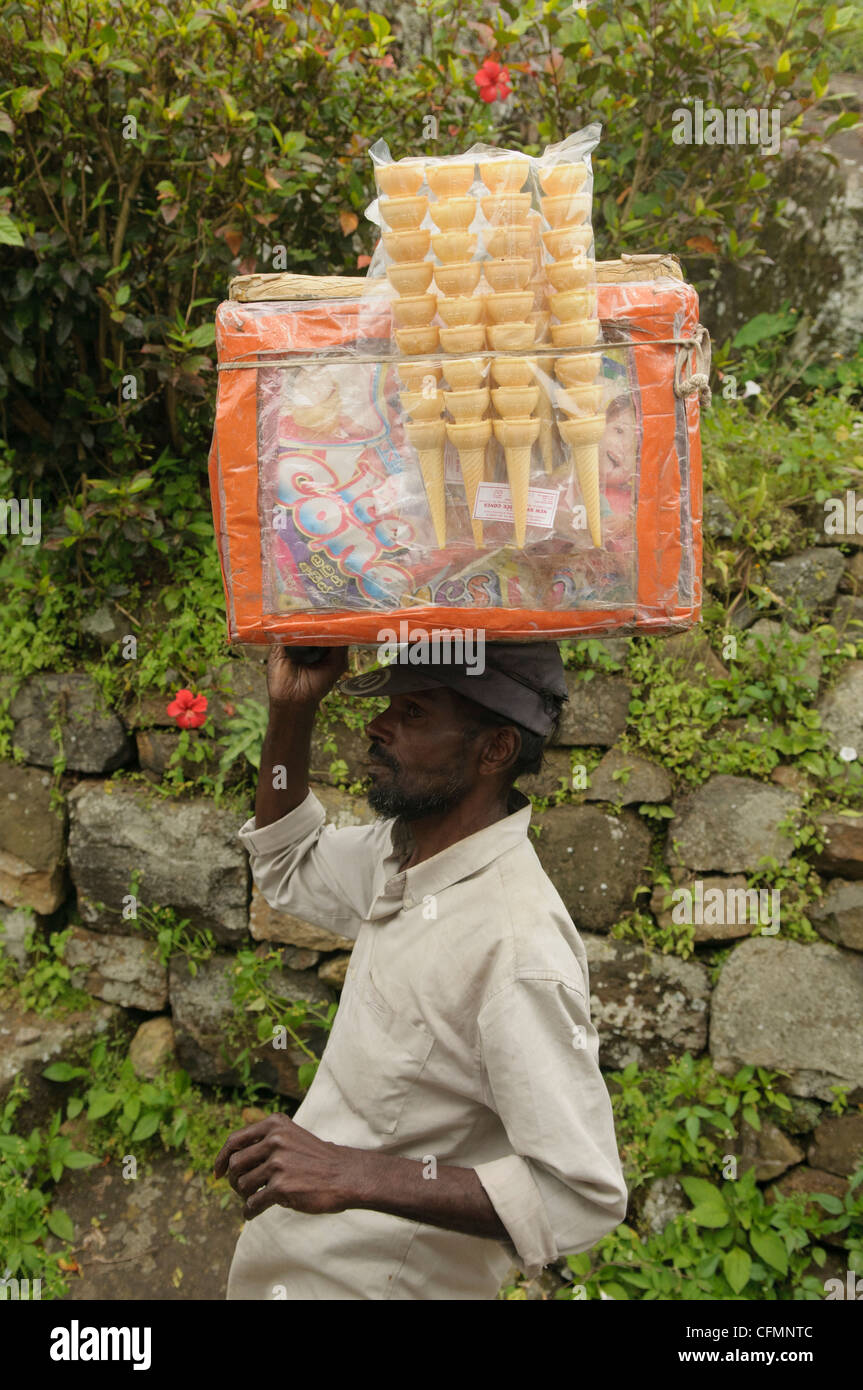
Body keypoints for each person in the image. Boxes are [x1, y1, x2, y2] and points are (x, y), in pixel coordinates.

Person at [216, 640, 628, 1300]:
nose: (377, 726)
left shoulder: (515, 947)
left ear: (493, 751)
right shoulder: (401, 854)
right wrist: (292, 709)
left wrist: (353, 1174)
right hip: (293, 1264)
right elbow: (285, 863)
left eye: (411, 712)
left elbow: (581, 1196)